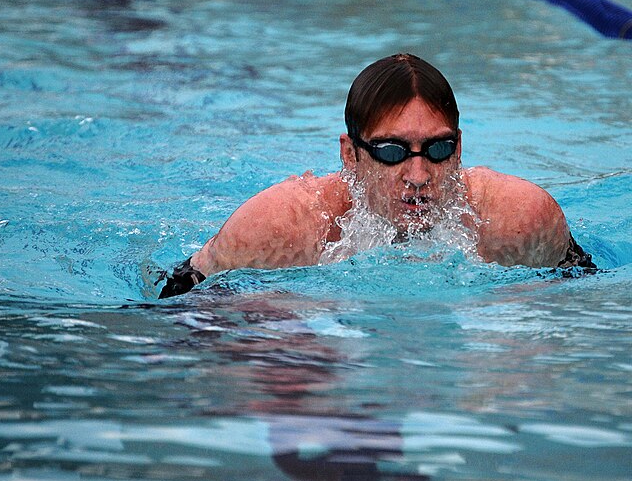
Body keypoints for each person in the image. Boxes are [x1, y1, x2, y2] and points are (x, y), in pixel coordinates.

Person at [158, 53, 595, 299]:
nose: (419, 175)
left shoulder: (519, 221)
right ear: (351, 154)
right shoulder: (280, 229)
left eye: (439, 149)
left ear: (459, 149)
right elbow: (175, 314)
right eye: (391, 152)